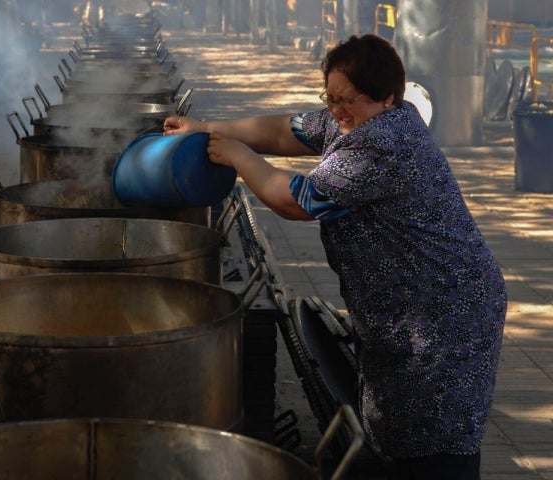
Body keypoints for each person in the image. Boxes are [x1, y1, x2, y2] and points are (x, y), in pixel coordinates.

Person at [163, 34, 506, 480]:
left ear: (387, 97)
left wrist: (239, 158)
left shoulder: (385, 142)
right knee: (397, 428)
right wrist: (208, 128)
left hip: (444, 315)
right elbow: (285, 129)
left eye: (350, 100)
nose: (338, 110)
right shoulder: (354, 121)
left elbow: (300, 201)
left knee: (435, 443)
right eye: (331, 97)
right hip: (405, 309)